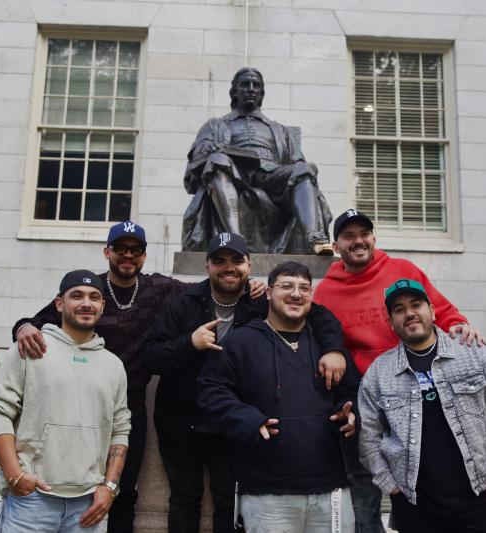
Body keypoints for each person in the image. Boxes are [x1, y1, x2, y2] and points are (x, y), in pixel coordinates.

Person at [141, 233, 348, 533]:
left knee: (229, 500)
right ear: (207, 265)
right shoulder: (182, 303)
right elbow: (151, 357)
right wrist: (190, 343)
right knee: (185, 498)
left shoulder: (259, 302)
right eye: (220, 261)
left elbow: (318, 316)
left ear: (249, 265)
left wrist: (333, 350)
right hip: (182, 419)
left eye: (236, 261)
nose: (229, 268)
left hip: (234, 421)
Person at [313, 209, 484, 533]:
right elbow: (320, 340)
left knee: (425, 481)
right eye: (349, 236)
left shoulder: (403, 271)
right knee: (364, 493)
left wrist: (460, 326)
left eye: (364, 233)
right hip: (364, 400)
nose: (358, 241)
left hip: (415, 391)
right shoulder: (326, 292)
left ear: (374, 238)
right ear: (336, 247)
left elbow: (440, 310)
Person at [10, 220, 186, 533]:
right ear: (107, 252)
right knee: (76, 483)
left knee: (123, 489)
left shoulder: (158, 288)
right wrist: (23, 327)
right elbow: (37, 320)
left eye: (135, 250)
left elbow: (202, 292)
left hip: (129, 404)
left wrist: (253, 288)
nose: (128, 255)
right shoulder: (90, 291)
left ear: (144, 256)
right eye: (120, 249)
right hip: (82, 402)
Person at [197, 261, 360, 533]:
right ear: (269, 293)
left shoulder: (329, 346)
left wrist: (353, 413)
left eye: (304, 288)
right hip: (266, 493)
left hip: (331, 488)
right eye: (286, 286)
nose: (296, 294)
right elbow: (210, 391)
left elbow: (354, 391)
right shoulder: (241, 342)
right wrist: (249, 420)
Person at [358, 279, 486, 532]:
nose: (409, 314)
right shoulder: (378, 374)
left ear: (433, 311)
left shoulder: (474, 353)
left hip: (477, 497)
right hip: (413, 504)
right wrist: (389, 484)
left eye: (416, 305)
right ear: (391, 321)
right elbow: (367, 436)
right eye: (399, 309)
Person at [0, 270, 131, 532]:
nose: (86, 303)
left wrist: (109, 488)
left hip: (88, 506)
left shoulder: (114, 366)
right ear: (59, 304)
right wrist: (14, 476)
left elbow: (120, 430)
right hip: (32, 501)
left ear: (102, 306)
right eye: (77, 296)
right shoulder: (30, 348)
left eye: (94, 297)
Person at [182, 67, 333, 255]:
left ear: (261, 93)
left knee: (305, 169)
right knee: (217, 160)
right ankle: (235, 240)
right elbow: (198, 158)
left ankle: (314, 237)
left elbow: (297, 161)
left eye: (256, 86)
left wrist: (299, 168)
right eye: (245, 84)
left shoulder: (279, 129)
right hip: (234, 172)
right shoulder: (215, 125)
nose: (251, 89)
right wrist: (210, 150)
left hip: (272, 174)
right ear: (235, 92)